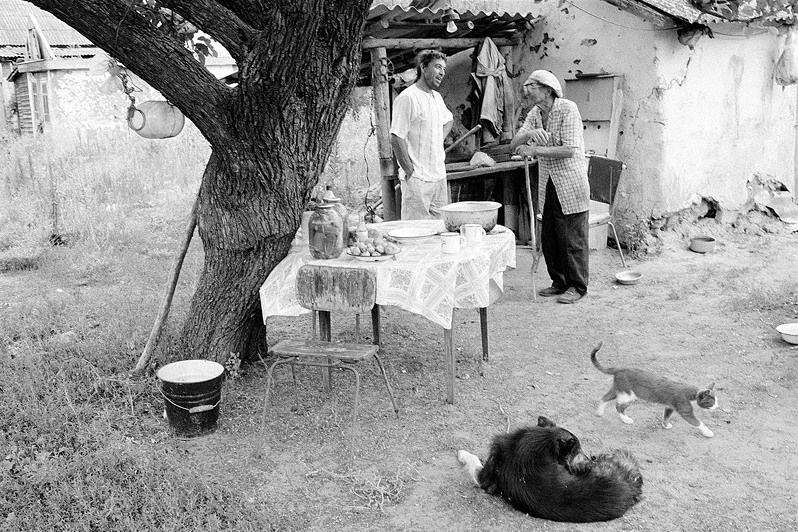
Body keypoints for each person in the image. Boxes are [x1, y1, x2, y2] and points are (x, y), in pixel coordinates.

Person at [510, 70, 590, 304]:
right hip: (548, 181)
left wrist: (533, 149)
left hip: (570, 182)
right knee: (551, 235)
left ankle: (578, 286)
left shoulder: (567, 109)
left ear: (546, 89)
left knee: (572, 238)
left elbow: (570, 149)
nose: (527, 89)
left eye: (531, 85)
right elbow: (514, 143)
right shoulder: (535, 113)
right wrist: (531, 134)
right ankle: (560, 282)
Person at [390, 50, 453, 219]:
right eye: (438, 67)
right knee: (416, 234)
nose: (442, 73)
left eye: (444, 69)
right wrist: (409, 170)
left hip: (438, 177)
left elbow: (449, 120)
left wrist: (438, 139)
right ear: (423, 67)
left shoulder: (437, 98)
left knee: (442, 231)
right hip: (417, 180)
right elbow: (396, 137)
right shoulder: (408, 98)